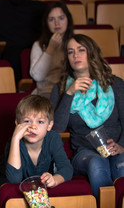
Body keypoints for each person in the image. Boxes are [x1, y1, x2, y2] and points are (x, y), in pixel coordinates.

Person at [50, 34, 124, 198]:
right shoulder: (61, 88)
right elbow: (55, 128)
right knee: (97, 164)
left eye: (81, 50)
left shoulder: (115, 84)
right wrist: (69, 93)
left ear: (91, 53)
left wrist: (121, 145)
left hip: (117, 148)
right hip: (84, 153)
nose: (75, 55)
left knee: (122, 166)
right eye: (70, 52)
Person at [0, 95, 73, 191]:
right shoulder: (14, 142)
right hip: (7, 180)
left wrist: (54, 179)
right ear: (18, 124)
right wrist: (15, 139)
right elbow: (14, 180)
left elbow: (67, 168)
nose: (33, 126)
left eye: (40, 122)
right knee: (10, 192)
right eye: (27, 121)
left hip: (37, 184)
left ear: (49, 125)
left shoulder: (53, 138)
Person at [30, 1, 74, 98]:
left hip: (71, 92)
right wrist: (51, 48)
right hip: (46, 94)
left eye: (61, 18)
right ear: (46, 23)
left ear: (68, 20)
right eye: (51, 19)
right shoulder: (39, 45)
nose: (57, 23)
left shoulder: (75, 43)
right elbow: (37, 76)